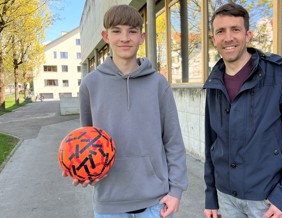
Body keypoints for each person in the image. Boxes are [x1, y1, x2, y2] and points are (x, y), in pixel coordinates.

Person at [62, 4, 188, 218]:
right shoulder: (90, 84)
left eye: (132, 31)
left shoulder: (158, 83)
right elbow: (87, 140)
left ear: (142, 37)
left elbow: (173, 141)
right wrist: (83, 169)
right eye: (116, 31)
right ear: (105, 36)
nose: (125, 38)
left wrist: (176, 190)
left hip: (156, 202)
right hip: (109, 203)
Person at [203, 3, 282, 218]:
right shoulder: (214, 82)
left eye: (235, 29)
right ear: (213, 39)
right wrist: (211, 197)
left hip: (265, 199)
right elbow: (211, 143)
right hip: (226, 197)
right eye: (220, 31)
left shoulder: (277, 73)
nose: (228, 37)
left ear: (248, 34)